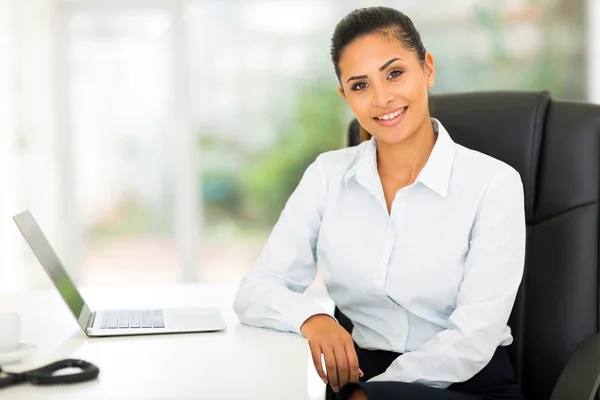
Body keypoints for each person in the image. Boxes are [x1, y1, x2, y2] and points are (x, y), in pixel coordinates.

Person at [233, 6, 526, 400]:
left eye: (394, 73)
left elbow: (474, 337)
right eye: (360, 85)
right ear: (345, 96)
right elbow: (255, 291)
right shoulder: (327, 175)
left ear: (428, 69)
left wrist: (375, 393)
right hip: (359, 381)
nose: (382, 98)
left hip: (465, 385)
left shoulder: (493, 184)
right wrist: (313, 317)